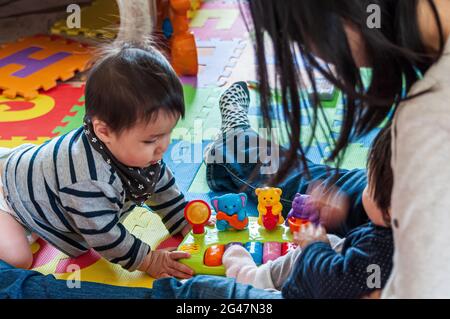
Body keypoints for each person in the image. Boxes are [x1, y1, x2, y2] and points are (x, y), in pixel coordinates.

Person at [205, 0, 450, 297]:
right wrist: (346, 213)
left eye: (300, 36)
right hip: (391, 225)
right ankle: (236, 143)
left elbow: (341, 280)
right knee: (323, 188)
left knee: (203, 295)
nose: (318, 55)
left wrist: (316, 251)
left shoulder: (429, 124)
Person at [0, 41, 196, 279]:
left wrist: (185, 222)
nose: (163, 146)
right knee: (17, 259)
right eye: (150, 140)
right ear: (104, 131)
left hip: (37, 182)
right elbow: (103, 234)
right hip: (8, 196)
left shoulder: (138, 152)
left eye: (169, 133)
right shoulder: (88, 179)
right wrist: (149, 259)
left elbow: (160, 185)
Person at [222, 125, 393, 298]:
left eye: (370, 186)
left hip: (315, 285)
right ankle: (235, 141)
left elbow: (331, 283)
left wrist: (315, 247)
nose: (367, 188)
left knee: (201, 288)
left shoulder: (380, 250)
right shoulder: (394, 222)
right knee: (328, 231)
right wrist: (344, 213)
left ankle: (249, 277)